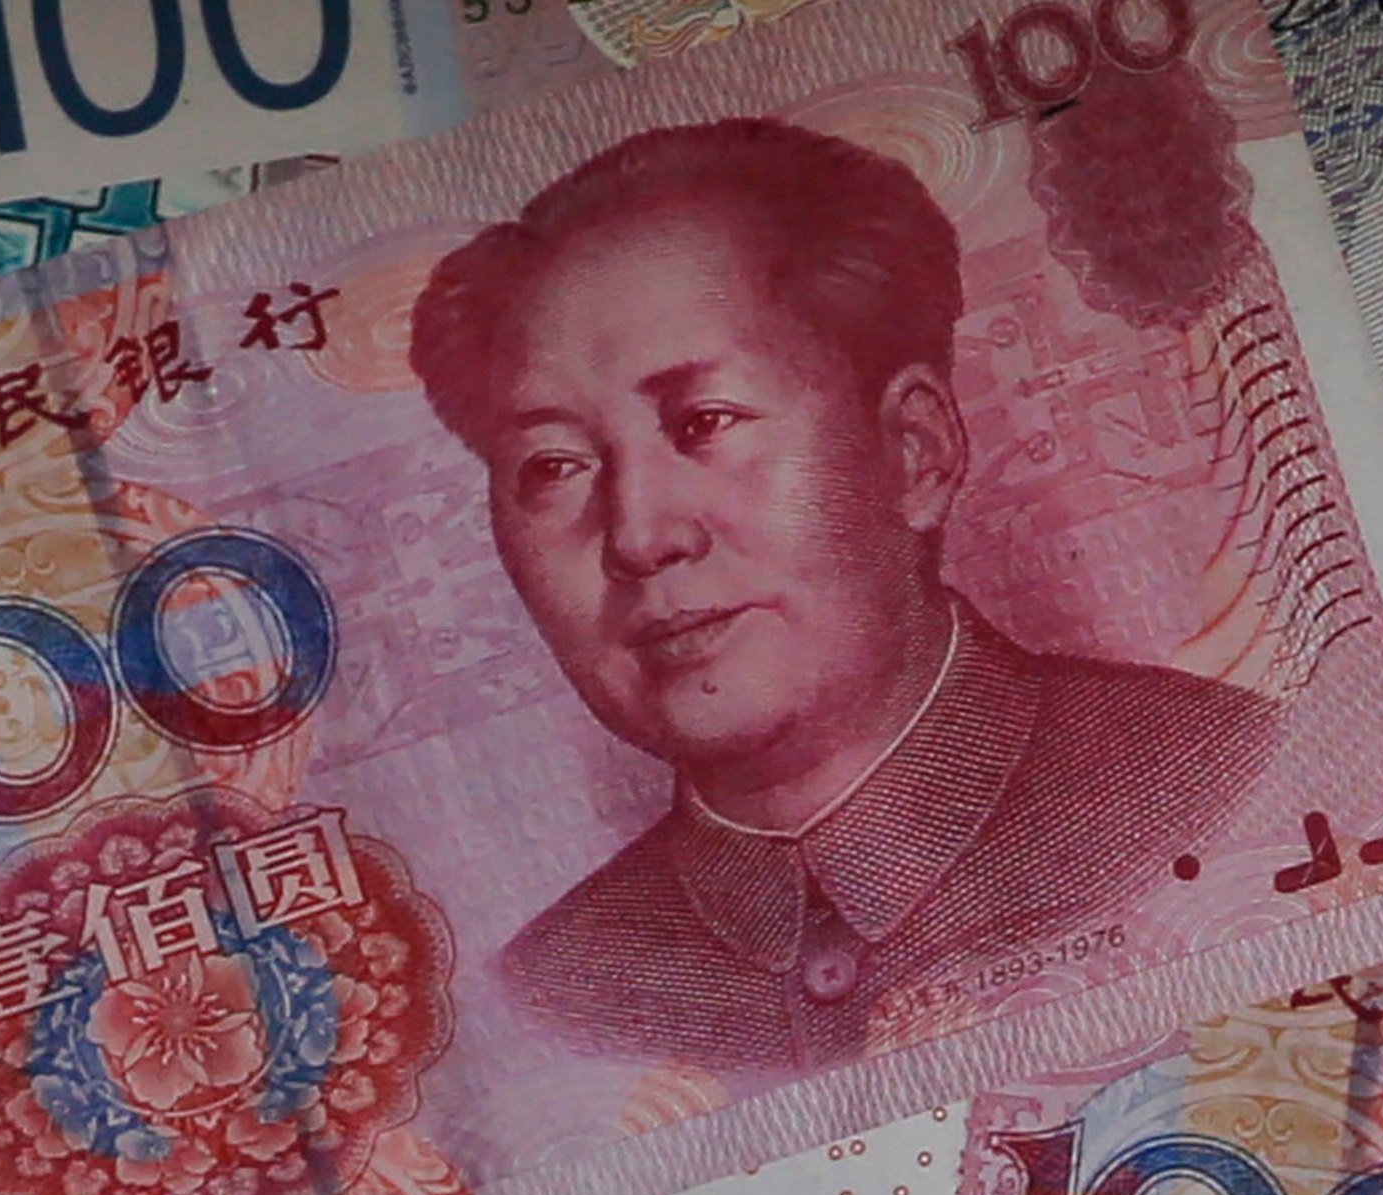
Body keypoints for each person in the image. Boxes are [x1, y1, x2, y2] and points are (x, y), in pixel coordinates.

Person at [411, 118, 1282, 1078]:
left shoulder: (1236, 783)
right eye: (554, 467)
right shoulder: (554, 998)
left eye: (704, 421)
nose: (639, 535)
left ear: (915, 453)